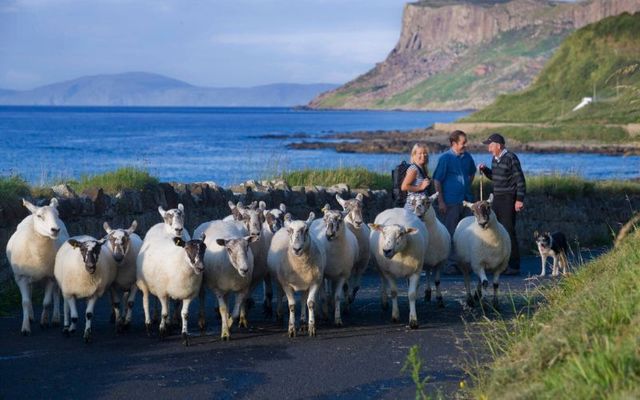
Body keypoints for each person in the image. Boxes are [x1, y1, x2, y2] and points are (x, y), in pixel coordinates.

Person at [478, 133, 526, 276]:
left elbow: (520, 181)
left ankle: (514, 265)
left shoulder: (511, 158)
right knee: (498, 231)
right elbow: (495, 177)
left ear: (499, 146)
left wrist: (519, 200)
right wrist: (485, 170)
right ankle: (502, 264)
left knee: (508, 231)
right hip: (497, 198)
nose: (489, 149)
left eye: (491, 146)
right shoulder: (495, 158)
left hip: (509, 199)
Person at [432, 130, 476, 274]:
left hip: (466, 201)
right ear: (454, 143)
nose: (465, 145)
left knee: (467, 233)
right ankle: (450, 264)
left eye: (465, 142)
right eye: (463, 143)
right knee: (450, 233)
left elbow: (472, 172)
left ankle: (464, 263)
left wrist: (466, 185)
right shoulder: (445, 158)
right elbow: (437, 180)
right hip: (450, 201)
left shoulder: (468, 157)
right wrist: (441, 201)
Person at [401, 143, 431, 211]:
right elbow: (404, 187)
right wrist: (420, 187)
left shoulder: (422, 168)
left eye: (425, 153)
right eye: (420, 153)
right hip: (413, 209)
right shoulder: (413, 169)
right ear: (414, 155)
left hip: (421, 207)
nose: (423, 155)